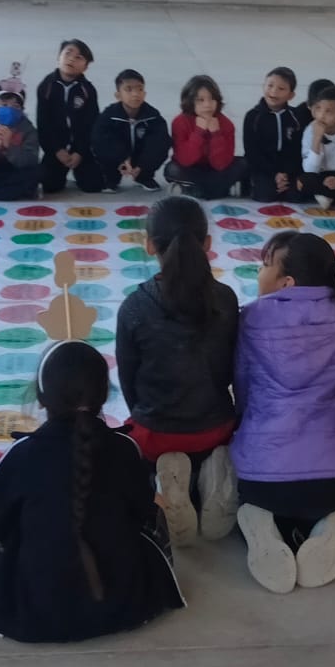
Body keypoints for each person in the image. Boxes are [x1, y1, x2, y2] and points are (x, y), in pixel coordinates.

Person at [0, 341, 185, 643]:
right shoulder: (125, 448)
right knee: (155, 502)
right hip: (126, 606)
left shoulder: (22, 454)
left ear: (41, 400)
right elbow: (147, 511)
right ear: (104, 396)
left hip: (33, 615)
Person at [232, 232, 335, 594]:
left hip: (262, 477)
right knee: (329, 503)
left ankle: (261, 523)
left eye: (264, 265)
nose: (258, 273)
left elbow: (242, 388)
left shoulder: (251, 318)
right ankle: (331, 521)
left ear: (286, 282)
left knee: (250, 503)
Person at [114, 196, 240, 547]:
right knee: (218, 443)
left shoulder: (135, 307)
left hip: (156, 437)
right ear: (209, 244)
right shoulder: (226, 300)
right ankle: (212, 472)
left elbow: (128, 384)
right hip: (217, 429)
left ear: (149, 245)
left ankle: (166, 483)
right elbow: (232, 371)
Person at [36, 39, 103, 195]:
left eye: (79, 57)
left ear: (86, 67)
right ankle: (59, 171)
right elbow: (43, 124)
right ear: (58, 57)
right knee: (50, 186)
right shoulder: (46, 87)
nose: (72, 59)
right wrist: (56, 150)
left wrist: (80, 152)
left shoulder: (88, 90)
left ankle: (81, 169)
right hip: (56, 148)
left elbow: (91, 124)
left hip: (79, 148)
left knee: (93, 185)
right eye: (68, 53)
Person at [166, 74, 247, 199]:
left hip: (216, 169)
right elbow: (185, 160)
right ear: (190, 101)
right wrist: (198, 132)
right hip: (191, 168)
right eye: (201, 100)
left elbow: (221, 164)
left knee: (243, 164)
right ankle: (217, 189)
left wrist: (216, 134)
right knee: (172, 169)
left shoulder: (226, 124)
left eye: (212, 99)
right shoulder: (180, 122)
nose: (208, 105)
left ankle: (194, 190)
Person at [93, 69, 170, 192]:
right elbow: (100, 142)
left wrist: (143, 165)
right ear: (118, 95)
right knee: (103, 148)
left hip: (141, 158)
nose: (135, 94)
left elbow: (159, 143)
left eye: (139, 89)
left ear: (144, 93)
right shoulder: (108, 116)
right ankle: (111, 178)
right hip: (119, 158)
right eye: (128, 89)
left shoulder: (153, 117)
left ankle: (144, 177)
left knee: (160, 145)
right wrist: (122, 159)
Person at [243, 66, 306, 202]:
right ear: (263, 86)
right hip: (263, 167)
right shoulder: (253, 117)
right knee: (265, 194)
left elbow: (298, 150)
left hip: (288, 168)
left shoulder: (296, 117)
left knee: (296, 195)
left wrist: (285, 174)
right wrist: (274, 174)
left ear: (291, 95)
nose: (273, 91)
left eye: (281, 89)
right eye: (270, 85)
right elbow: (252, 152)